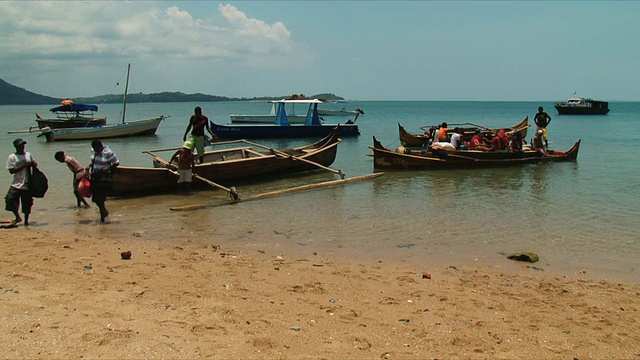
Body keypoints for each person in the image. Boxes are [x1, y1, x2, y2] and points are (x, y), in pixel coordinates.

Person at [5, 138, 36, 226]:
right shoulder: (12, 157)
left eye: (23, 145)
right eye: (20, 145)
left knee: (27, 203)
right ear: (15, 147)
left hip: (27, 183)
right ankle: (17, 217)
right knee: (10, 199)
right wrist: (24, 165)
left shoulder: (28, 155)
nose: (22, 147)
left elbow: (33, 164)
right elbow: (11, 171)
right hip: (16, 183)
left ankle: (26, 221)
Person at [87, 140, 119, 223]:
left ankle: (104, 218)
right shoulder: (94, 152)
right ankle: (105, 214)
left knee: (100, 199)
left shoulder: (109, 153)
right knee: (96, 199)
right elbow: (94, 161)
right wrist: (89, 165)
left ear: (100, 146)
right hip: (95, 178)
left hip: (104, 179)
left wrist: (108, 168)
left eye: (96, 149)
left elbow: (116, 163)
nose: (95, 150)